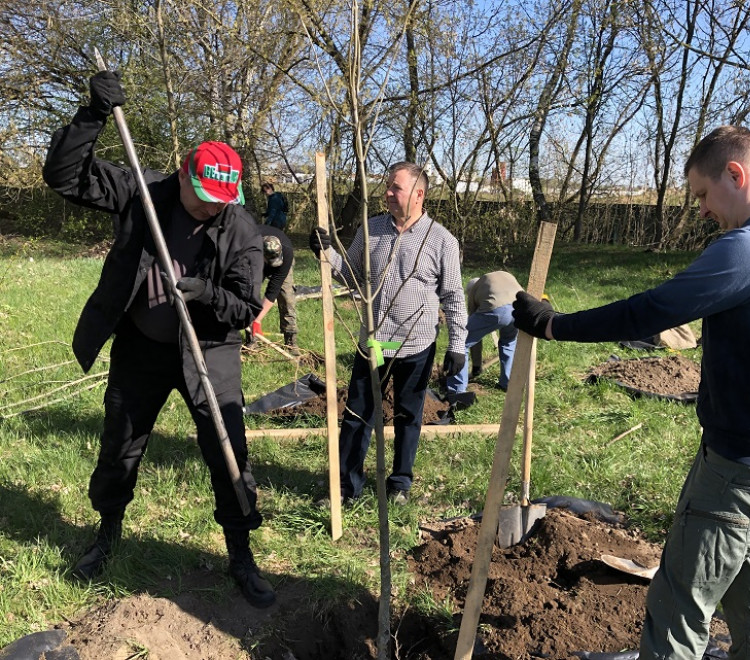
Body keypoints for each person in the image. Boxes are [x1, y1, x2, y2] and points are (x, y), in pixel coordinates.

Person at [512, 126, 750, 660]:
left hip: (742, 472)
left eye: (701, 194)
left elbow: (650, 310)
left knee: (678, 609)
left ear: (735, 174)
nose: (700, 210)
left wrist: (555, 326)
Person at [41, 71, 275, 608]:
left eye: (223, 199)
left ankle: (240, 553)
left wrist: (203, 294)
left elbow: (244, 307)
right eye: (205, 197)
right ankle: (107, 535)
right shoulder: (143, 195)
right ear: (184, 176)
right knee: (121, 443)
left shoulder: (240, 229)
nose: (214, 207)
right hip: (142, 347)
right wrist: (91, 115)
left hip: (209, 350)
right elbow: (64, 174)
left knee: (227, 452)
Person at [309, 162, 467, 505]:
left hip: (417, 344)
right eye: (388, 187)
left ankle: (399, 485)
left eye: (396, 188)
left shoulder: (441, 241)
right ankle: (347, 488)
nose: (388, 194)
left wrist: (458, 344)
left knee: (409, 416)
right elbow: (349, 275)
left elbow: (453, 296)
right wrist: (326, 252)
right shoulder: (372, 229)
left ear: (418, 194)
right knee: (357, 415)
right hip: (375, 343)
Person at [446, 271, 521, 395]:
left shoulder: (474, 291)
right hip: (519, 308)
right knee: (509, 343)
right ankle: (508, 383)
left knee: (460, 341)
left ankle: (457, 390)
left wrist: (476, 367)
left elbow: (473, 339)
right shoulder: (499, 277)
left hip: (497, 308)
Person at [248, 225, 298, 352]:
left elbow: (273, 289)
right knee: (249, 293)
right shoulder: (249, 248)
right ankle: (252, 339)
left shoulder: (286, 253)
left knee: (287, 297)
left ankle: (290, 340)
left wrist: (258, 320)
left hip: (280, 259)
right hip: (256, 262)